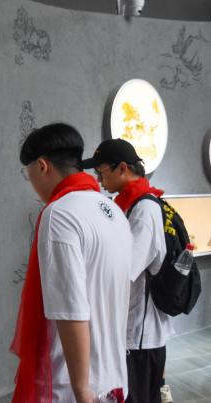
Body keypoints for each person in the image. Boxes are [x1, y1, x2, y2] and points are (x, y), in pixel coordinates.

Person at [12, 123, 132, 403]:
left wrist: (82, 390)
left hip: (69, 385)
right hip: (114, 376)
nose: (33, 186)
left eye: (29, 176)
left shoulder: (59, 214)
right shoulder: (113, 211)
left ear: (42, 166)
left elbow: (71, 311)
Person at [82, 139, 174, 403]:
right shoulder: (129, 204)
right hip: (132, 330)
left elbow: (126, 270)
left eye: (101, 172)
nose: (99, 180)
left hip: (140, 336)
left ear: (122, 168)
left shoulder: (144, 209)